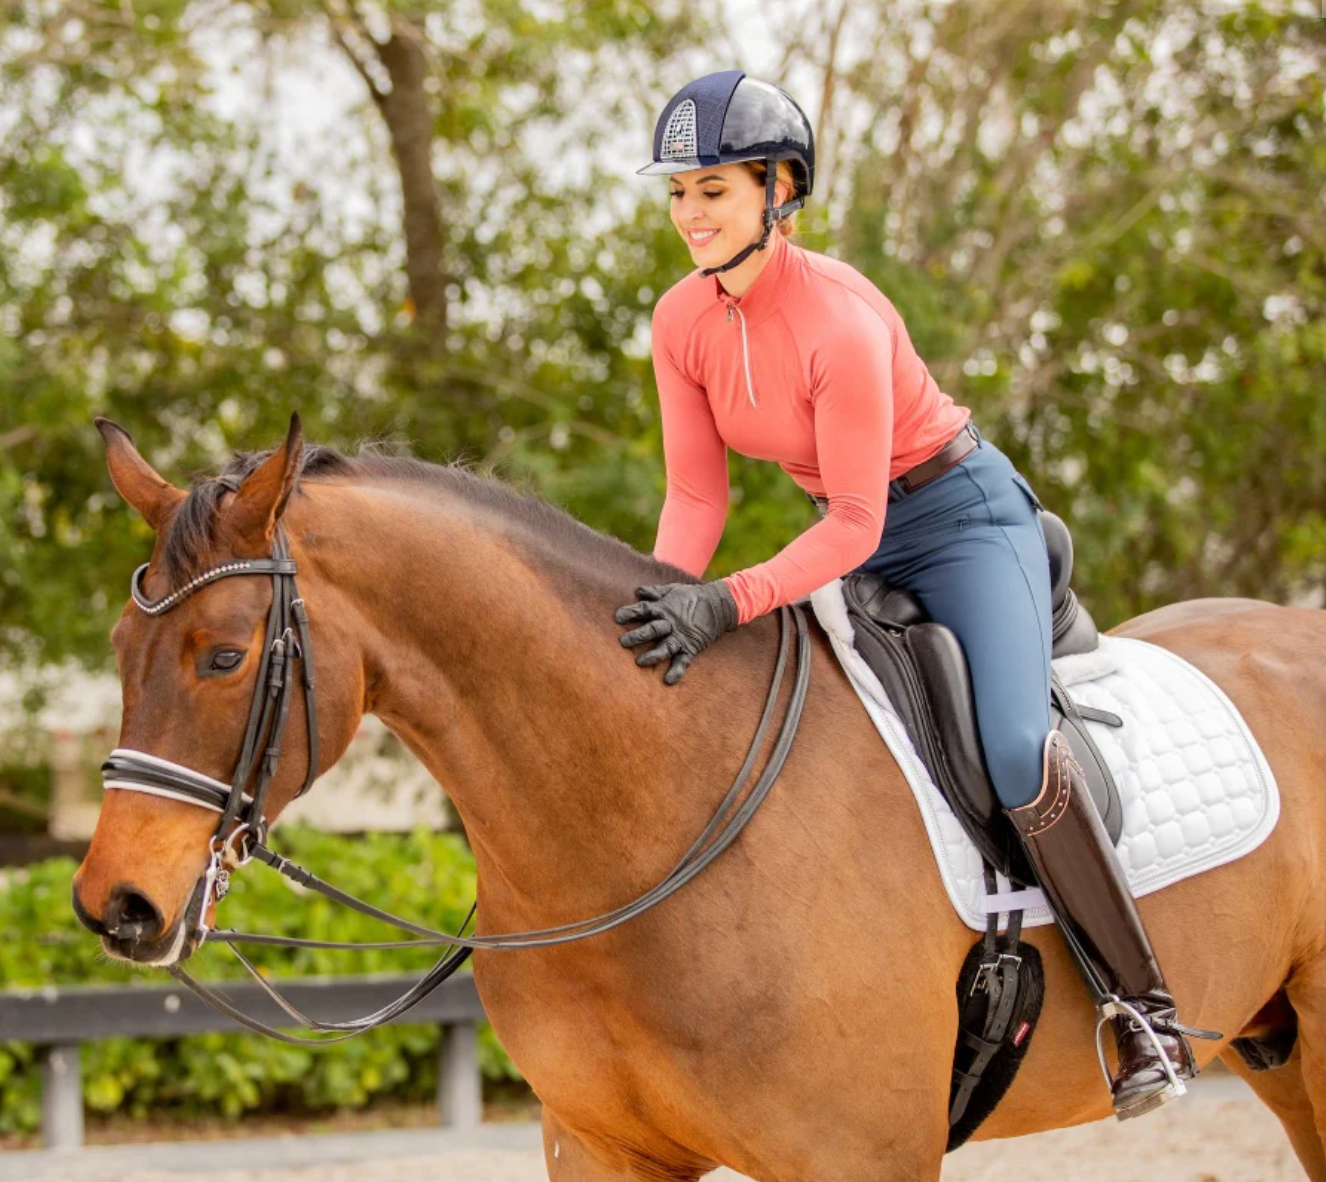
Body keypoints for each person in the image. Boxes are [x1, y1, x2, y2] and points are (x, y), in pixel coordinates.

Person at [613, 69, 1211, 1121]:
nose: (689, 215)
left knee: (1019, 747)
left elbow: (855, 525)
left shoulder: (839, 319)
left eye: (712, 190)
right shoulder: (679, 319)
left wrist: (730, 600)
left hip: (956, 520)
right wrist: (666, 599)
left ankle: (1143, 1010)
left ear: (778, 188)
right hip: (855, 530)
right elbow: (694, 493)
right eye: (677, 193)